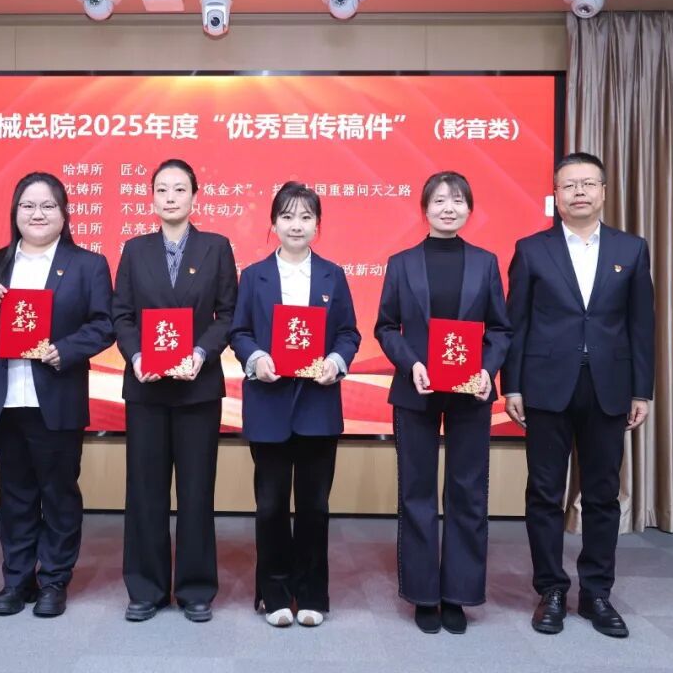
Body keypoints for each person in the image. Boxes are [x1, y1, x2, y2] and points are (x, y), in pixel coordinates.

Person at [502, 152, 654, 638]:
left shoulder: (632, 249)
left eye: (588, 183)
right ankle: (550, 590)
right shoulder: (532, 249)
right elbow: (516, 323)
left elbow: (641, 326)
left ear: (604, 192)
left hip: (609, 387)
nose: (579, 192)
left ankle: (596, 593)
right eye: (569, 185)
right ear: (556, 195)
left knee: (603, 494)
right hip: (546, 386)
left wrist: (642, 390)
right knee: (545, 493)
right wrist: (512, 385)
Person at [0, 171, 114, 618]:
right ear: (15, 212)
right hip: (4, 397)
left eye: (48, 206)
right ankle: (17, 579)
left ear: (64, 214)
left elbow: (104, 324)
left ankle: (54, 580)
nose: (37, 214)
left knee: (58, 493)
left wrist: (66, 350)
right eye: (28, 205)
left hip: (57, 394)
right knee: (16, 494)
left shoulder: (87, 265)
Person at [374, 171, 511, 634]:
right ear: (425, 209)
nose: (448, 208)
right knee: (416, 492)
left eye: (457, 201)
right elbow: (386, 327)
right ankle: (423, 593)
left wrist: (487, 369)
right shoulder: (401, 263)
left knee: (467, 491)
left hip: (471, 392)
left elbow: (500, 328)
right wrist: (411, 362)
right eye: (438, 201)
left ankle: (458, 593)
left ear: (469, 209)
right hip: (417, 389)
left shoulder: (486, 263)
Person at [229, 182, 361, 628]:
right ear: (273, 223)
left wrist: (336, 361)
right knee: (269, 506)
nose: (296, 225)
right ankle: (273, 593)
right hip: (269, 405)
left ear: (317, 224)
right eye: (287, 216)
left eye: (306, 217)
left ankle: (311, 594)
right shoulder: (254, 276)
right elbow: (239, 332)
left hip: (317, 407)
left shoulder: (332, 275)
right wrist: (256, 358)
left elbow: (349, 333)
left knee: (314, 507)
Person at [112, 159, 238, 623]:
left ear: (194, 197)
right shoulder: (134, 249)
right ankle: (145, 588)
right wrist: (136, 356)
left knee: (196, 490)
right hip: (146, 388)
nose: (170, 197)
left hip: (197, 389)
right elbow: (121, 314)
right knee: (145, 490)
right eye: (162, 189)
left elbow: (228, 314)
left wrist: (201, 353)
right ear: (151, 198)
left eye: (179, 189)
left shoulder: (216, 247)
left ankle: (195, 587)